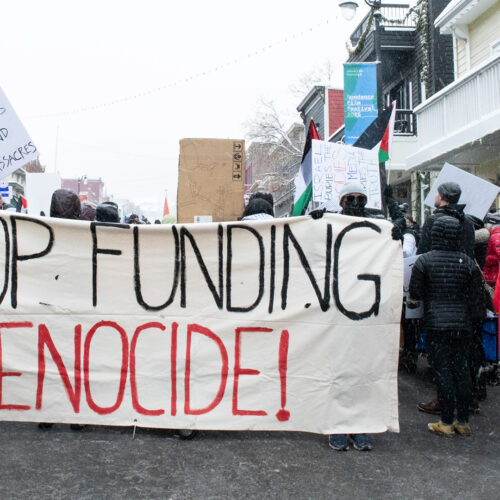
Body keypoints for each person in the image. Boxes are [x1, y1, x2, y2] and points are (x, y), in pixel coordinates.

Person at [310, 181, 404, 451]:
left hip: (367, 312)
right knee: (338, 371)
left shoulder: (377, 228)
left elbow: (397, 233)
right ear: (341, 201)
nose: (355, 203)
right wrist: (312, 221)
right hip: (338, 311)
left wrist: (396, 216)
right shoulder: (330, 223)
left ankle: (361, 426)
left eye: (361, 198)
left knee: (365, 371)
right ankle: (338, 425)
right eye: (350, 198)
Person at [409, 215, 483, 437]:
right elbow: (476, 298)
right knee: (461, 370)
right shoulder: (468, 262)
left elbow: (415, 294)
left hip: (436, 323)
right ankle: (463, 421)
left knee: (442, 371)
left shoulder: (425, 261)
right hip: (463, 325)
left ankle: (446, 421)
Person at [417, 181, 474, 258]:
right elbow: (469, 250)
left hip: (436, 267)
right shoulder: (467, 221)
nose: (435, 196)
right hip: (461, 267)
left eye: (437, 193)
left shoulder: (432, 220)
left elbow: (423, 250)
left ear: (441, 197)